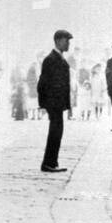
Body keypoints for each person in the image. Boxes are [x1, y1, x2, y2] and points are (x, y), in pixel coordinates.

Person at [38, 30, 73, 172]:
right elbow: (42, 83)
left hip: (58, 103)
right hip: (54, 103)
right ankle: (49, 163)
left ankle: (52, 162)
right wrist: (45, 103)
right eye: (66, 41)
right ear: (58, 41)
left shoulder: (59, 58)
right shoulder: (51, 59)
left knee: (57, 132)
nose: (68, 43)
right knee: (55, 132)